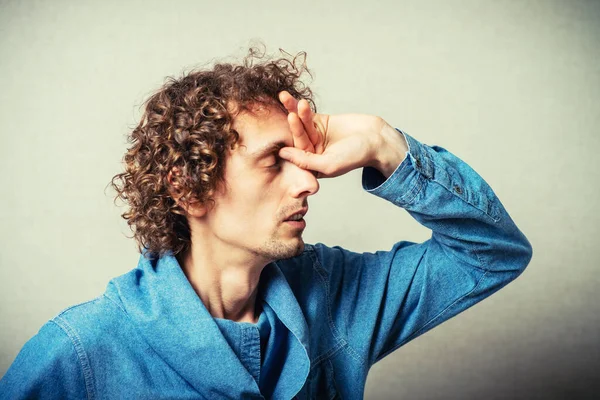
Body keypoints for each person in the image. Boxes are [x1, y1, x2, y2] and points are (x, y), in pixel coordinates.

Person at [0, 47, 533, 399]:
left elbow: (492, 252)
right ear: (188, 187)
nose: (310, 183)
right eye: (275, 161)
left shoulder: (336, 294)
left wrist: (382, 142)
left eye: (303, 160)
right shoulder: (79, 353)